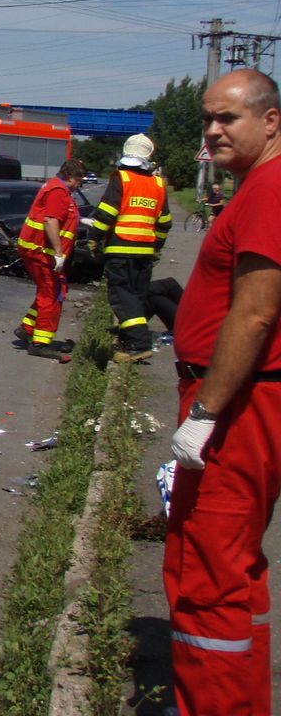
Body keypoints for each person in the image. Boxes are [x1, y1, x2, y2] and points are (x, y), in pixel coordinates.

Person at [163, 68, 281, 716]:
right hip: (245, 398)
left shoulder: (268, 188)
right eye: (207, 118)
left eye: (227, 118)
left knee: (209, 577)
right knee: (228, 570)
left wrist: (205, 413)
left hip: (239, 407)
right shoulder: (257, 188)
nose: (211, 131)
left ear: (271, 120)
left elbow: (257, 313)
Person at [87, 133, 172, 363]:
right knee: (136, 296)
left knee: (121, 296)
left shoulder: (121, 179)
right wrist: (157, 246)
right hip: (145, 254)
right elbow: (165, 222)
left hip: (121, 250)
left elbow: (106, 213)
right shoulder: (157, 184)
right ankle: (128, 340)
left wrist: (94, 238)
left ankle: (139, 344)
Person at [14, 158, 86, 362]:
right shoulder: (58, 192)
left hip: (40, 250)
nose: (79, 184)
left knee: (53, 290)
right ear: (71, 177)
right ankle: (40, 344)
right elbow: (51, 221)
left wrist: (80, 221)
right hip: (42, 252)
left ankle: (28, 329)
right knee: (52, 294)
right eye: (78, 180)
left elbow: (60, 217)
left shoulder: (59, 189)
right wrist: (58, 253)